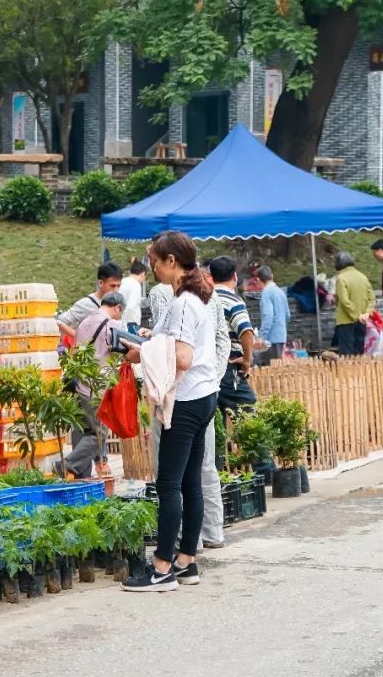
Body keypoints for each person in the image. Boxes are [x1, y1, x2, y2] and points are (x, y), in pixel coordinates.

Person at [121, 231, 218, 591]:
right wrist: (147, 344)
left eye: (155, 262)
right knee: (191, 481)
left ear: (171, 262)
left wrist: (143, 353)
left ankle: (161, 568)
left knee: (169, 484)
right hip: (206, 396)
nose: (153, 269)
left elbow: (181, 358)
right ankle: (186, 561)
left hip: (188, 400)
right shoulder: (197, 296)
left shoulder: (181, 303)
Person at [67, 292, 127, 479]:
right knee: (98, 434)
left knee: (81, 430)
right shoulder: (113, 325)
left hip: (78, 384)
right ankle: (66, 465)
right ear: (117, 308)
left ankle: (80, 475)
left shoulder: (84, 322)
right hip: (96, 386)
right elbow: (123, 350)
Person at [209, 257, 257, 416]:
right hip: (229, 367)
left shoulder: (204, 299)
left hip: (207, 368)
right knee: (249, 415)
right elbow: (246, 332)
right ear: (235, 277)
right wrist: (247, 359)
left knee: (216, 422)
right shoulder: (233, 301)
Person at [56, 262, 123, 339]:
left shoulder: (117, 304)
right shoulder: (86, 304)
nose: (116, 290)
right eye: (113, 286)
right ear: (101, 283)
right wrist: (81, 339)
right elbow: (59, 322)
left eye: (119, 286)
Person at [333, 252, 374, 356]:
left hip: (346, 321)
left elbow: (344, 301)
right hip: (362, 321)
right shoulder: (363, 277)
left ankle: (349, 373)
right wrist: (366, 314)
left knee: (347, 355)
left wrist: (356, 315)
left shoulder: (341, 278)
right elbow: (371, 297)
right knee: (359, 352)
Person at [258, 265, 290, 362]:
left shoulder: (266, 293)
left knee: (270, 371)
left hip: (270, 339)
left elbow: (268, 316)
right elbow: (287, 315)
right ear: (272, 276)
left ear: (259, 280)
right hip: (281, 336)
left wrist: (261, 336)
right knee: (278, 370)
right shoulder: (281, 292)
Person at [119, 260, 147, 327]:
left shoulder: (122, 281)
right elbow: (131, 306)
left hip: (119, 320)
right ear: (143, 274)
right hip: (130, 323)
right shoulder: (136, 285)